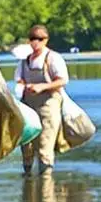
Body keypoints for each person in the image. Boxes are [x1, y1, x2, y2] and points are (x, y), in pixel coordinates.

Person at [17, 24, 70, 172]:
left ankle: (46, 185)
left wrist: (41, 87)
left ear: (46, 40)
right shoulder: (24, 61)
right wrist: (23, 86)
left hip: (48, 106)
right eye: (33, 38)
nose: (36, 42)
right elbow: (19, 79)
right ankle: (28, 182)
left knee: (44, 148)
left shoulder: (53, 58)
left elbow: (63, 80)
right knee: (26, 147)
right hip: (27, 106)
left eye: (40, 39)